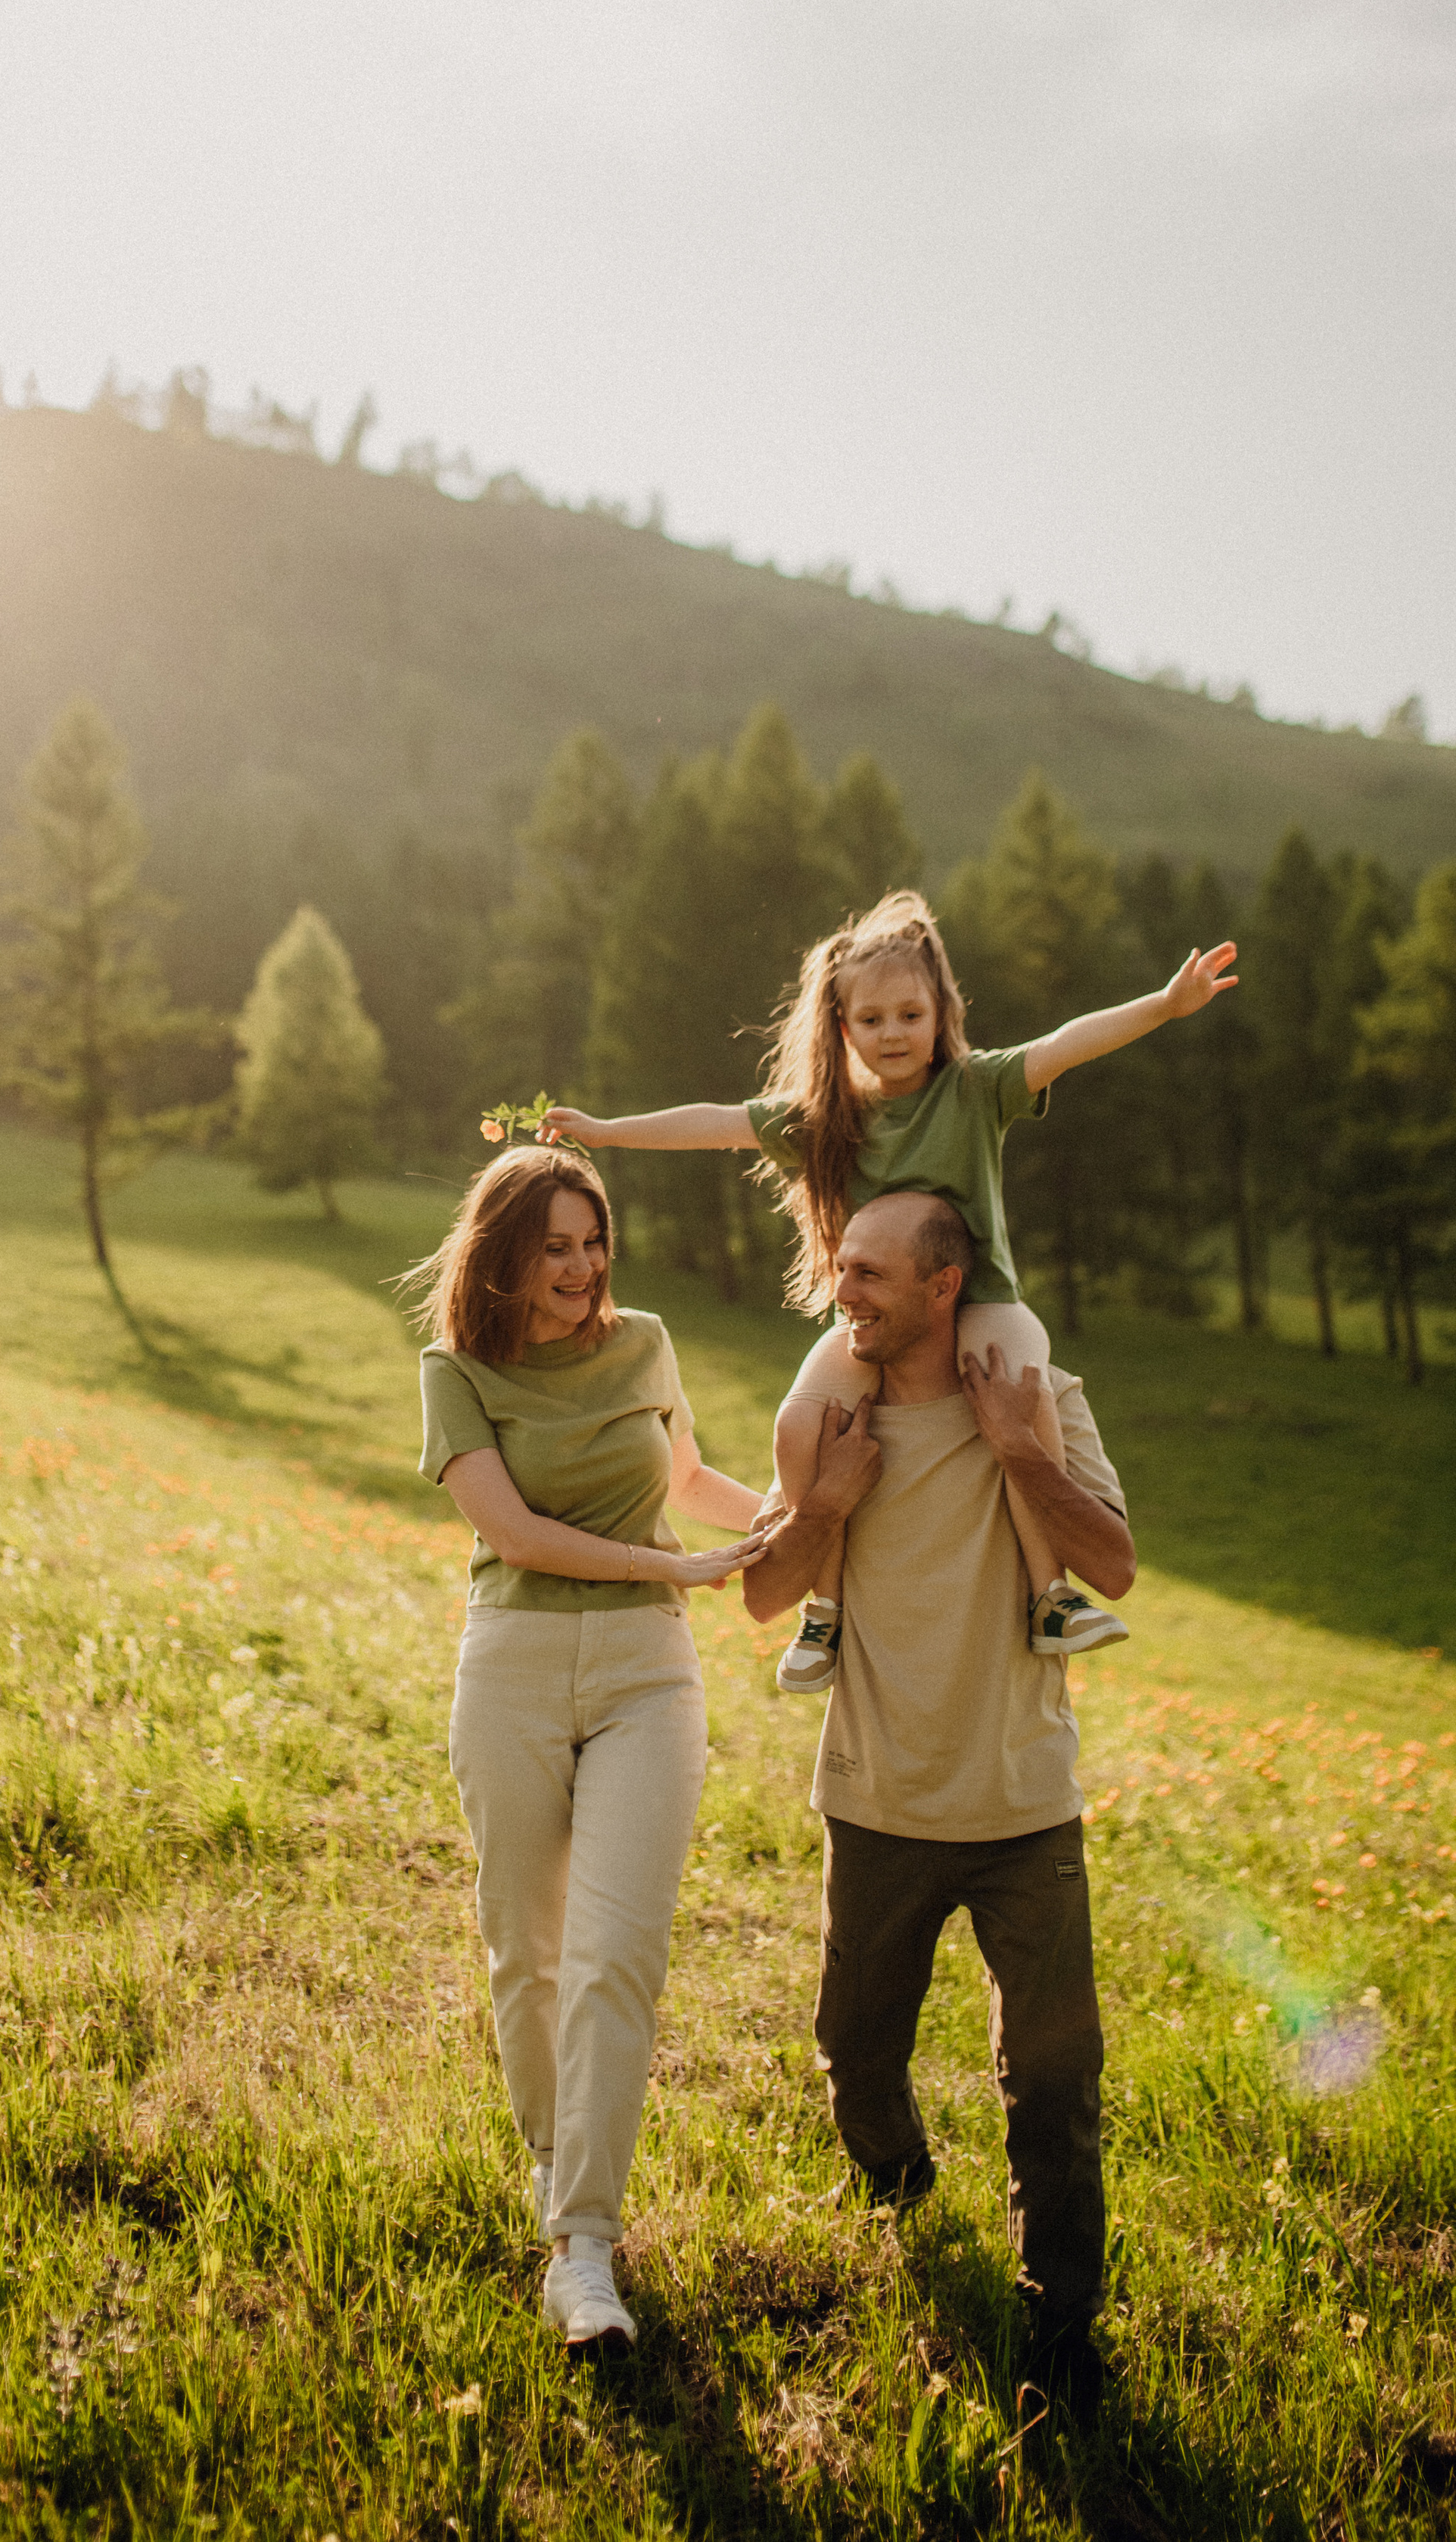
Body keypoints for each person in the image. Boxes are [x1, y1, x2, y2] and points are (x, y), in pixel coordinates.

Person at [543, 888, 1234, 1686]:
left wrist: (1165, 1004)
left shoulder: (976, 1089)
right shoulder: (826, 1117)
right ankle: (822, 1615)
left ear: (940, 1012)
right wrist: (605, 1132)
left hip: (984, 1303)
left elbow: (1067, 1043)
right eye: (871, 1021)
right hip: (871, 1317)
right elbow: (714, 1121)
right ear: (844, 1030)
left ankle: (1051, 1597)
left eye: (910, 1014)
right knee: (802, 1420)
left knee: (1021, 1387)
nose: (893, 1033)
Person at [746, 1186, 1137, 2421]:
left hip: (1025, 1806)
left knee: (1058, 2080)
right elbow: (765, 1592)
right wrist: (827, 1504)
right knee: (857, 2049)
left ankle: (1061, 2314)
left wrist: (1024, 1451)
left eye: (869, 1271)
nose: (843, 1288)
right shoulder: (835, 1420)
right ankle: (904, 2199)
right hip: (875, 1801)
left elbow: (1116, 1564)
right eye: (840, 1265)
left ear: (942, 1286)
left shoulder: (1041, 1401)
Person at [406, 1142, 770, 2357]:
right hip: (511, 1666)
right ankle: (557, 2171)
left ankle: (588, 2250)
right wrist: (671, 1560)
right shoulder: (455, 1369)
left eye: (593, 1238)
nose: (581, 1265)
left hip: (644, 1674)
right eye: (554, 1245)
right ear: (503, 1252)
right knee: (531, 1949)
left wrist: (803, 1507)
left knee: (618, 1955)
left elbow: (687, 1477)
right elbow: (514, 1532)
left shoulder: (646, 1342)